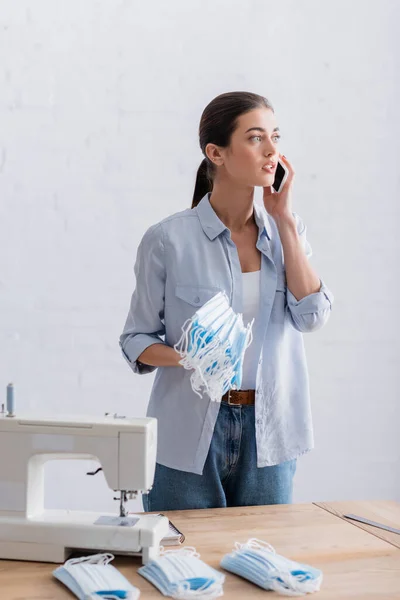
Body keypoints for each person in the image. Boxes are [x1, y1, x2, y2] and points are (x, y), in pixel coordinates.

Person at [119, 91, 334, 511]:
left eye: (275, 136)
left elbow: (311, 317)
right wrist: (192, 357)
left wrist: (284, 220)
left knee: (263, 566)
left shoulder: (285, 232)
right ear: (215, 152)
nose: (272, 150)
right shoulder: (167, 240)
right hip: (189, 432)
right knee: (181, 563)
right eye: (256, 138)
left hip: (271, 432)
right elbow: (135, 340)